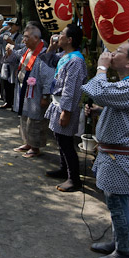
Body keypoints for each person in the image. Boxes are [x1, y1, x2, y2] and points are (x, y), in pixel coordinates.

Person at [82, 40, 129, 258]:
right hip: (115, 155)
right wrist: (99, 110)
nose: (111, 54)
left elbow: (98, 91)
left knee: (117, 203)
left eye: (118, 52)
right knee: (115, 202)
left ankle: (122, 253)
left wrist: (101, 68)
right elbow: (117, 106)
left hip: (119, 157)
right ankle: (117, 242)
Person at [40, 24, 87, 192]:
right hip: (58, 102)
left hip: (65, 105)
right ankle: (63, 169)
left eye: (62, 34)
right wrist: (51, 47)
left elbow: (71, 88)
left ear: (70, 39)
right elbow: (47, 60)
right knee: (60, 139)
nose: (58, 36)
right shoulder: (65, 55)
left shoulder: (76, 61)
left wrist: (66, 112)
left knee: (66, 142)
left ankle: (74, 179)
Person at [6, 24, 54, 158]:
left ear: (36, 38)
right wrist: (9, 52)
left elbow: (48, 76)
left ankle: (35, 146)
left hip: (36, 92)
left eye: (26, 37)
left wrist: (45, 95)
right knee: (24, 116)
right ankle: (27, 142)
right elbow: (14, 58)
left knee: (36, 119)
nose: (23, 40)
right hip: (24, 90)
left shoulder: (44, 53)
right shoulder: (26, 50)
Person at [0, 18, 24, 109]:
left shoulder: (21, 37)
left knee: (13, 84)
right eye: (9, 24)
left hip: (15, 64)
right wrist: (1, 31)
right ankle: (7, 101)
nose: (9, 27)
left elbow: (21, 50)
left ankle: (14, 103)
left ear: (17, 27)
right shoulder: (5, 35)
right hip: (6, 63)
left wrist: (11, 42)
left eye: (12, 25)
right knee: (5, 83)